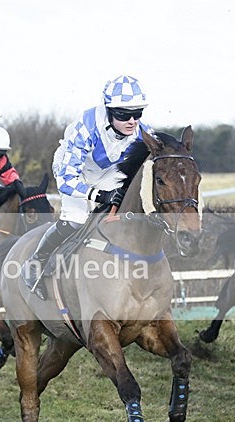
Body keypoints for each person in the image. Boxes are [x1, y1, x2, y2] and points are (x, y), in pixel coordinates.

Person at [23, 75, 153, 300]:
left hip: (109, 170)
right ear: (109, 110)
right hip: (75, 170)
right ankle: (36, 261)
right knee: (77, 218)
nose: (132, 121)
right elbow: (66, 179)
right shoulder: (86, 126)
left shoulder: (143, 132)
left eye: (138, 113)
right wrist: (98, 195)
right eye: (124, 114)